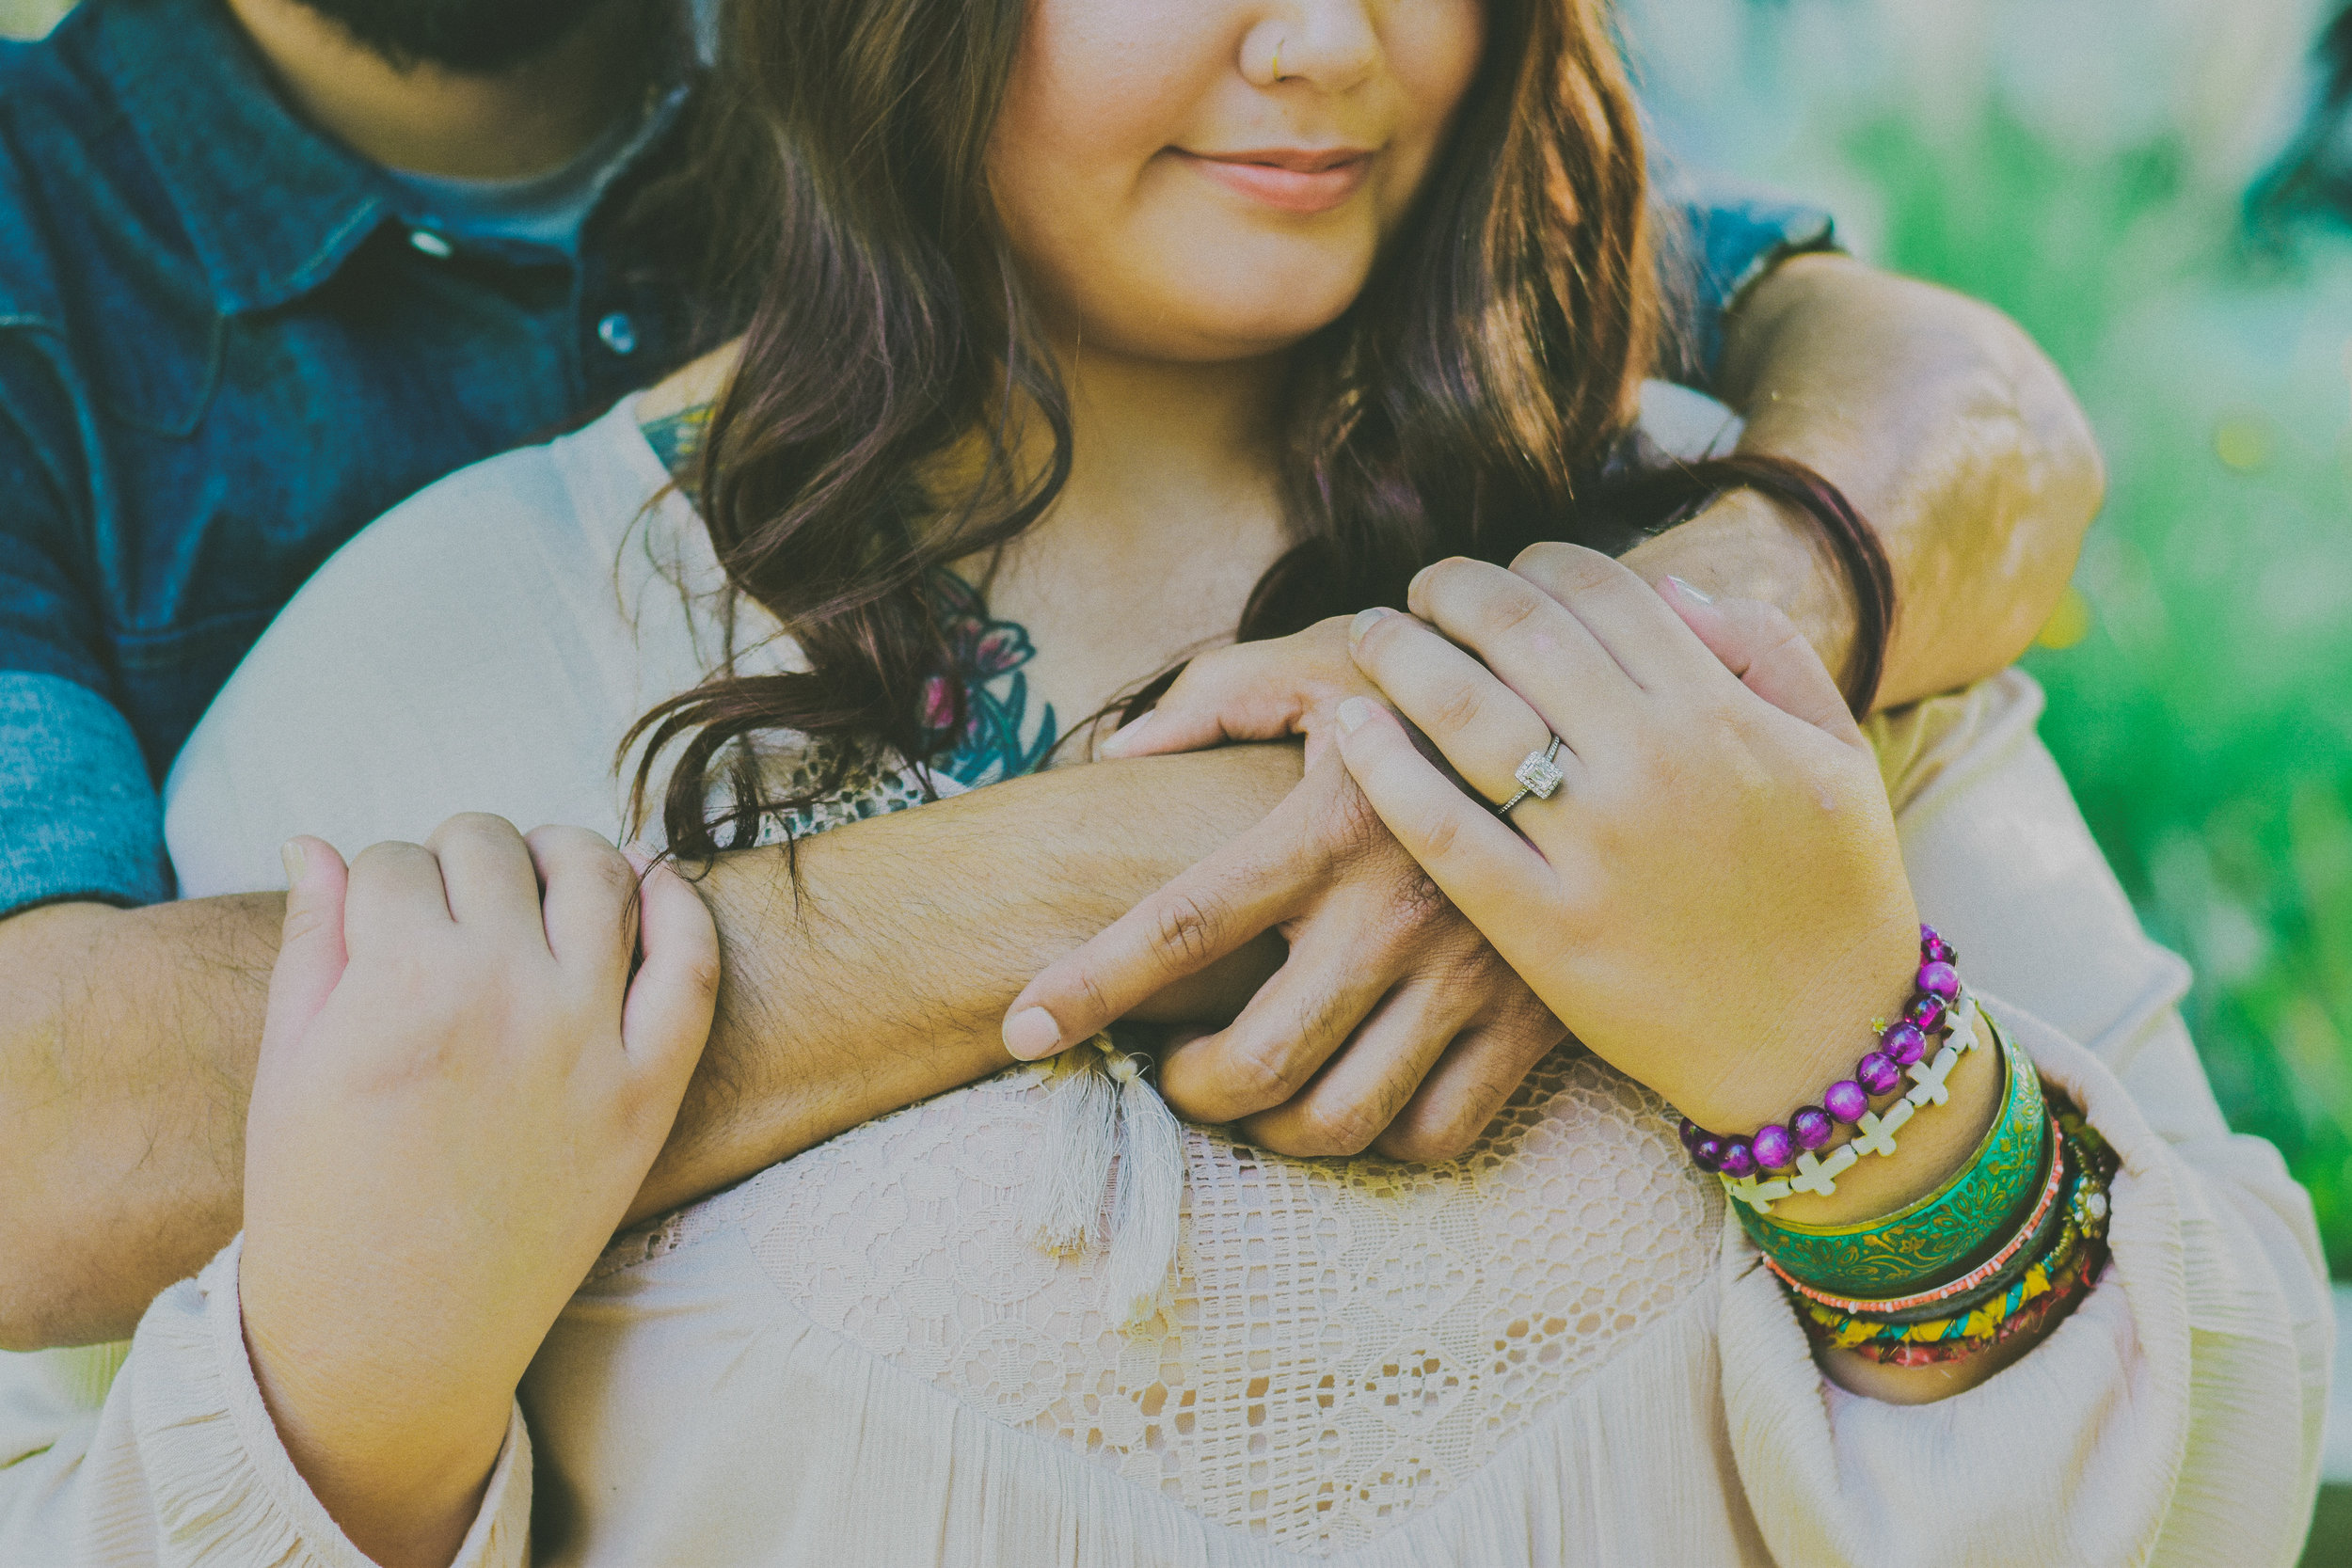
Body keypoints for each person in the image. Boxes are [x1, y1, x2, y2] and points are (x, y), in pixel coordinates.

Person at [0, 0, 2316, 1563]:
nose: (1316, 40)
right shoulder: (441, 651)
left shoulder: (1685, 577)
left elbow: (2217, 1461)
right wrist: (352, 1417)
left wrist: (1849, 1069)